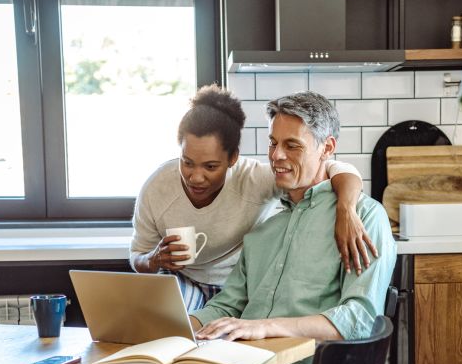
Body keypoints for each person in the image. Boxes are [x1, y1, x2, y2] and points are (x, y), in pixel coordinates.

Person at [68, 91, 396, 364]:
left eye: (292, 145)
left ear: (327, 148)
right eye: (273, 143)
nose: (276, 156)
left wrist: (265, 326)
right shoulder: (265, 230)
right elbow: (228, 304)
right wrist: (178, 324)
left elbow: (358, 318)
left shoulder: (363, 218)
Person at [128, 84, 377, 311]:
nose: (195, 177)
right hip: (186, 281)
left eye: (211, 166)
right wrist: (153, 259)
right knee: (163, 328)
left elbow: (339, 169)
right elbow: (137, 255)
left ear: (233, 159)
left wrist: (346, 210)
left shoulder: (254, 179)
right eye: (187, 163)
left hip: (240, 288)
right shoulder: (157, 189)